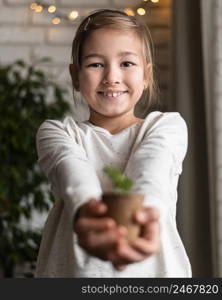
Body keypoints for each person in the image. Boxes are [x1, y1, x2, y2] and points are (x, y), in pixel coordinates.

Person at [35, 9, 192, 277]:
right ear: (75, 76)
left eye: (127, 64)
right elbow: (76, 180)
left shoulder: (167, 127)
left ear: (147, 75)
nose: (111, 77)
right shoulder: (57, 133)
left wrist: (142, 219)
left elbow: (149, 176)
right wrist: (89, 213)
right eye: (96, 64)